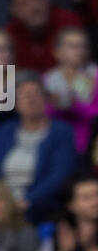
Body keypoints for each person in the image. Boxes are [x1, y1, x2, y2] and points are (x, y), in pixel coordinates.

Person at [0, 70, 77, 223]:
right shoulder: (5, 130)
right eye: (24, 95)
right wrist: (4, 201)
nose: (30, 100)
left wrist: (28, 200)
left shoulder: (62, 132)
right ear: (15, 102)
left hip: (42, 207)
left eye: (36, 94)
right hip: (3, 206)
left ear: (46, 99)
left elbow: (59, 175)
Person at [6, 0, 82, 74]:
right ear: (14, 10)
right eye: (24, 3)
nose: (34, 7)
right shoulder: (10, 35)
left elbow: (82, 69)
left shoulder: (69, 22)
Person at [43, 26, 98, 155]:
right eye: (72, 46)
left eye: (83, 46)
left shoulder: (94, 75)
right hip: (54, 142)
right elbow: (42, 114)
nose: (79, 51)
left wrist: (74, 105)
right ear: (57, 51)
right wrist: (53, 105)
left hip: (87, 142)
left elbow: (95, 113)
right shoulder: (48, 79)